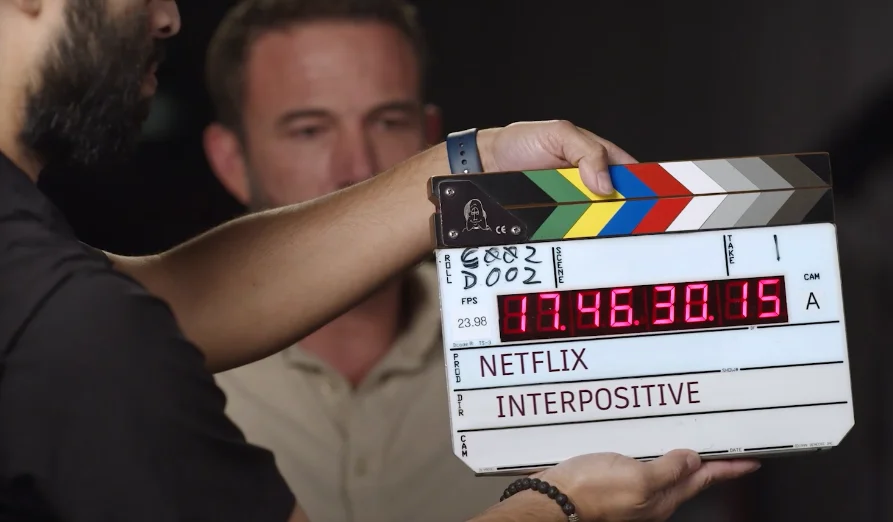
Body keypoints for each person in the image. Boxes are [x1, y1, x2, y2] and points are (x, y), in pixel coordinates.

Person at [0, 0, 760, 521]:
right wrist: (563, 506)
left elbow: (164, 299)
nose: (168, 15)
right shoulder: (79, 324)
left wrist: (477, 162)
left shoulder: (45, 282)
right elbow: (112, 320)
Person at [200, 1, 508, 520]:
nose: (359, 168)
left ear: (431, 142)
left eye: (388, 122)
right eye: (309, 130)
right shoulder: (164, 373)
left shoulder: (526, 341)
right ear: (232, 161)